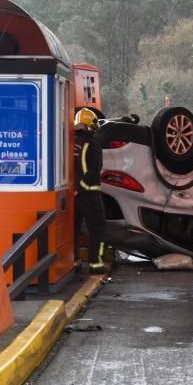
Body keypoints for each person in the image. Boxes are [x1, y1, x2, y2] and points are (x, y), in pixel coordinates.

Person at [73, 107, 108, 274]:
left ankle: (75, 263)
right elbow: (94, 172)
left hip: (70, 197)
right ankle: (96, 264)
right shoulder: (93, 146)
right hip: (89, 195)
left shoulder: (69, 144)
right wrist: (82, 189)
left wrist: (73, 191)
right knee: (98, 228)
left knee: (73, 230)